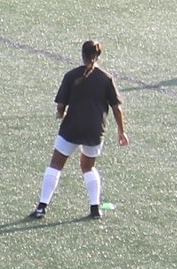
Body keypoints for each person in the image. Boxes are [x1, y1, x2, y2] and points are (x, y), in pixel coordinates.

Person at [31, 40, 127, 220]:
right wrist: (121, 131)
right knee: (88, 167)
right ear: (98, 56)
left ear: (82, 54)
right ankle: (95, 209)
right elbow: (116, 107)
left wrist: (61, 113)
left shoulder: (71, 75)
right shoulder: (106, 78)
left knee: (56, 165)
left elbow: (61, 104)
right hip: (94, 130)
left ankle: (42, 207)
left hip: (71, 127)